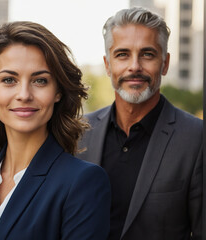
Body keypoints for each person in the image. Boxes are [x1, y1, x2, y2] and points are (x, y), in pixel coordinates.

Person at [0, 21, 111, 240]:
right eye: (9, 80)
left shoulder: (82, 182)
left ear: (57, 91)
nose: (24, 94)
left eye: (40, 81)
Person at [77, 7, 203, 240]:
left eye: (147, 54)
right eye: (122, 54)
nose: (134, 66)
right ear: (107, 65)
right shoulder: (79, 133)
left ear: (165, 64)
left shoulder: (197, 139)